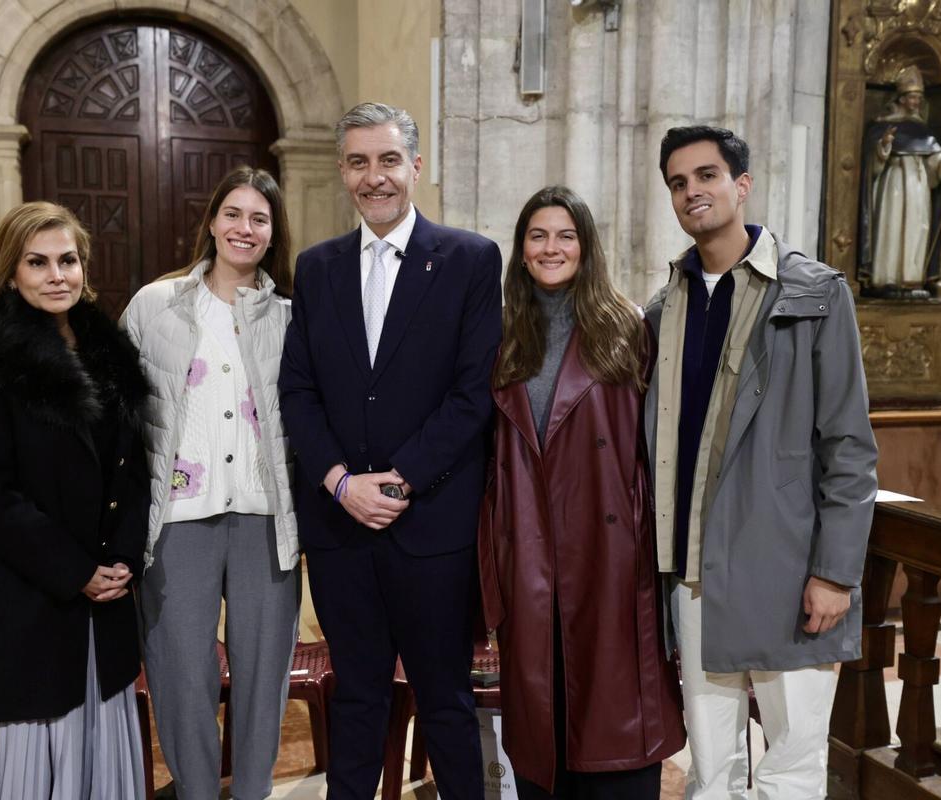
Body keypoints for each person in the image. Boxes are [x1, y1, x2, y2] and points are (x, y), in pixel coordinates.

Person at [645, 126, 878, 799]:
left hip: (785, 567)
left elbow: (849, 445)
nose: (692, 191)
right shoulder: (666, 308)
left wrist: (835, 573)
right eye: (678, 182)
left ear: (741, 184)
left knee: (792, 764)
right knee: (710, 767)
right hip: (694, 570)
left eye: (707, 175)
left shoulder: (814, 295)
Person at [278, 102, 502, 800]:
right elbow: (298, 391)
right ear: (342, 171)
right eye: (358, 162)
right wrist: (341, 482)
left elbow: (473, 393)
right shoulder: (316, 268)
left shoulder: (470, 259)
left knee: (445, 702)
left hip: (431, 527)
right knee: (356, 700)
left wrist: (401, 480)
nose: (373, 176)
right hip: (341, 529)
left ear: (415, 166)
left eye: (388, 160)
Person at [477, 186, 685, 799]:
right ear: (521, 250)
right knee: (542, 721)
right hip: (527, 550)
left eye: (566, 236)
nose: (552, 248)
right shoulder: (499, 336)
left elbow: (654, 446)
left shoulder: (626, 328)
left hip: (610, 552)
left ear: (586, 246)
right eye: (538, 236)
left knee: (616, 720)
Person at [0, 201, 149, 798]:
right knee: (36, 733)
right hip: (23, 592)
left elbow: (132, 467)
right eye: (38, 263)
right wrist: (74, 571)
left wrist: (123, 559)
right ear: (11, 273)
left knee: (94, 726)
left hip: (102, 592)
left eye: (69, 260)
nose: (58, 275)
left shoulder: (107, 352)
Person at [122, 166, 302, 800]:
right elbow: (119, 413)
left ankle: (252, 791)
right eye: (233, 213)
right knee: (181, 672)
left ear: (273, 232)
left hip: (265, 517)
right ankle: (196, 790)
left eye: (259, 217)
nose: (244, 228)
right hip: (177, 518)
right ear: (213, 221)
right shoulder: (155, 305)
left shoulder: (292, 318)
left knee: (262, 674)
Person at [860, 65, 941, 296]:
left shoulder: (922, 129)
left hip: (919, 188)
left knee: (917, 230)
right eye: (912, 97)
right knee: (891, 228)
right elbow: (872, 165)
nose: (917, 102)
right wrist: (885, 145)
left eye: (919, 98)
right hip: (894, 184)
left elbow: (934, 160)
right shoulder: (883, 124)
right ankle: (887, 280)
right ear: (901, 98)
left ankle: (911, 280)